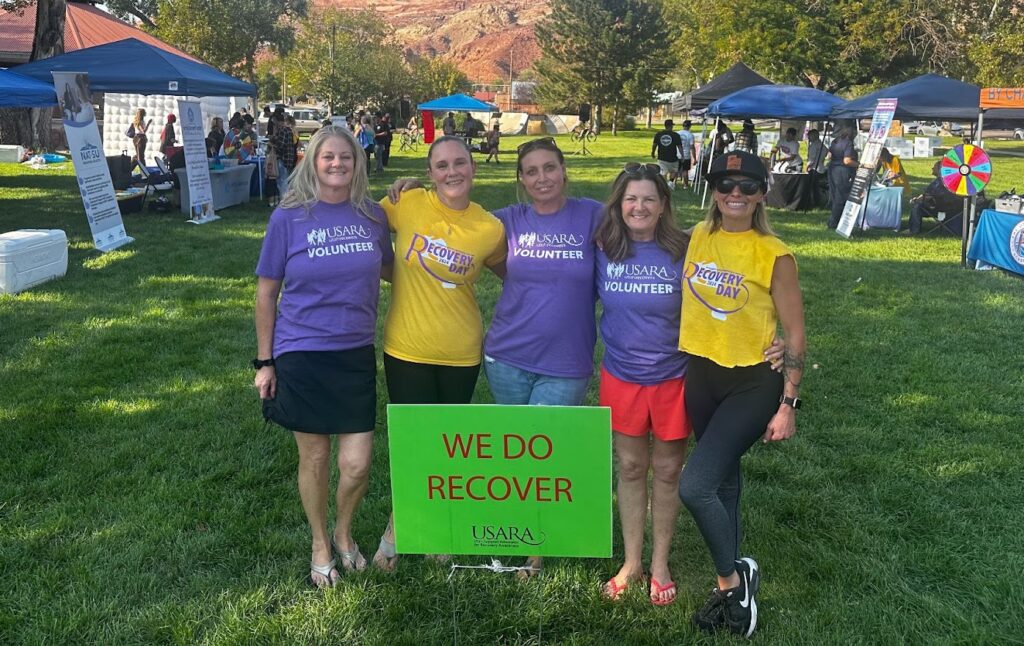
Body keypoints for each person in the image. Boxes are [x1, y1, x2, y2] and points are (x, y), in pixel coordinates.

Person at [386, 136, 601, 578]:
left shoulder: (588, 216)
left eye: (549, 168)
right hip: (505, 354)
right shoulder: (506, 221)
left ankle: (534, 550)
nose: (541, 178)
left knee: (544, 451)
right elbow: (374, 222)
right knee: (507, 452)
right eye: (531, 171)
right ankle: (425, 529)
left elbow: (642, 224)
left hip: (561, 357)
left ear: (564, 170)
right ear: (519, 179)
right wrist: (408, 189)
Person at [254, 126, 394, 589]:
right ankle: (319, 542)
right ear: (312, 162)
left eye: (346, 158)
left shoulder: (373, 217)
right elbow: (266, 292)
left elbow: (397, 268)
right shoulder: (289, 218)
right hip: (302, 351)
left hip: (354, 352)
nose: (337, 165)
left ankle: (343, 531)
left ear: (358, 164)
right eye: (327, 157)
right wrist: (265, 361)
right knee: (314, 457)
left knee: (356, 463)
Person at [677, 150, 805, 638]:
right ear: (713, 190)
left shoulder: (775, 254)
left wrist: (788, 403)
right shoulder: (695, 238)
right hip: (702, 374)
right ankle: (731, 579)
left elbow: (794, 333)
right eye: (726, 185)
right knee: (723, 482)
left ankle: (732, 582)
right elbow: (635, 219)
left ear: (761, 193)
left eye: (747, 186)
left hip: (753, 380)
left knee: (696, 485)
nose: (735, 194)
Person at [372, 136, 506, 570]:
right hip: (406, 346)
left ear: (473, 168)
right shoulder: (406, 203)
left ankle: (436, 528)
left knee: (446, 446)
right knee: (413, 444)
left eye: (460, 163)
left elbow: (516, 276)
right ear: (430, 173)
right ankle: (396, 527)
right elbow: (364, 227)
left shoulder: (489, 228)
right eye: (442, 165)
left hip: (461, 350)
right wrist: (392, 271)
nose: (452, 172)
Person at [594, 162, 691, 606]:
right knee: (631, 468)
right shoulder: (603, 247)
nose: (639, 206)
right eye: (631, 198)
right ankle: (633, 561)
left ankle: (660, 563)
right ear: (619, 204)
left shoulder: (685, 249)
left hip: (674, 378)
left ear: (663, 205)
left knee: (668, 470)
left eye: (649, 198)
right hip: (622, 375)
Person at [907, 160, 966, 235]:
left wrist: (917, 200)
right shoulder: (955, 181)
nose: (932, 168)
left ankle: (913, 230)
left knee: (917, 206)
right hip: (954, 208)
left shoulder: (938, 183)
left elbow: (929, 196)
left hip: (938, 207)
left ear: (940, 169)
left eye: (934, 167)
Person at [827, 125, 859, 228]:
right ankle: (834, 222)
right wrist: (861, 164)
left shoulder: (835, 141)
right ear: (852, 134)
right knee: (841, 197)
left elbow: (829, 156)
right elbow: (847, 161)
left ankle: (832, 220)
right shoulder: (848, 143)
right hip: (842, 171)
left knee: (834, 195)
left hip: (832, 169)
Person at [269, 113, 297, 195]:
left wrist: (271, 145)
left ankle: (284, 201)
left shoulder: (283, 131)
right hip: (288, 159)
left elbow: (280, 146)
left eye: (274, 122)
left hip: (283, 159)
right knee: (285, 181)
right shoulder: (288, 130)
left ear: (278, 121)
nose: (274, 124)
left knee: (282, 181)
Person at [651, 119, 684, 189]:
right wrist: (682, 155)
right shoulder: (676, 135)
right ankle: (670, 182)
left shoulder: (658, 134)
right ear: (671, 126)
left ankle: (664, 185)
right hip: (673, 157)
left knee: (663, 172)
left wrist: (653, 152)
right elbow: (680, 147)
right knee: (674, 171)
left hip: (662, 157)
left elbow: (654, 145)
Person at [676, 119, 697, 189]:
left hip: (677, 154)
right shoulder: (690, 135)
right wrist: (694, 158)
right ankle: (685, 185)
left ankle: (673, 183)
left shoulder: (677, 133)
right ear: (690, 126)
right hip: (686, 155)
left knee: (676, 170)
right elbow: (692, 147)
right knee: (685, 171)